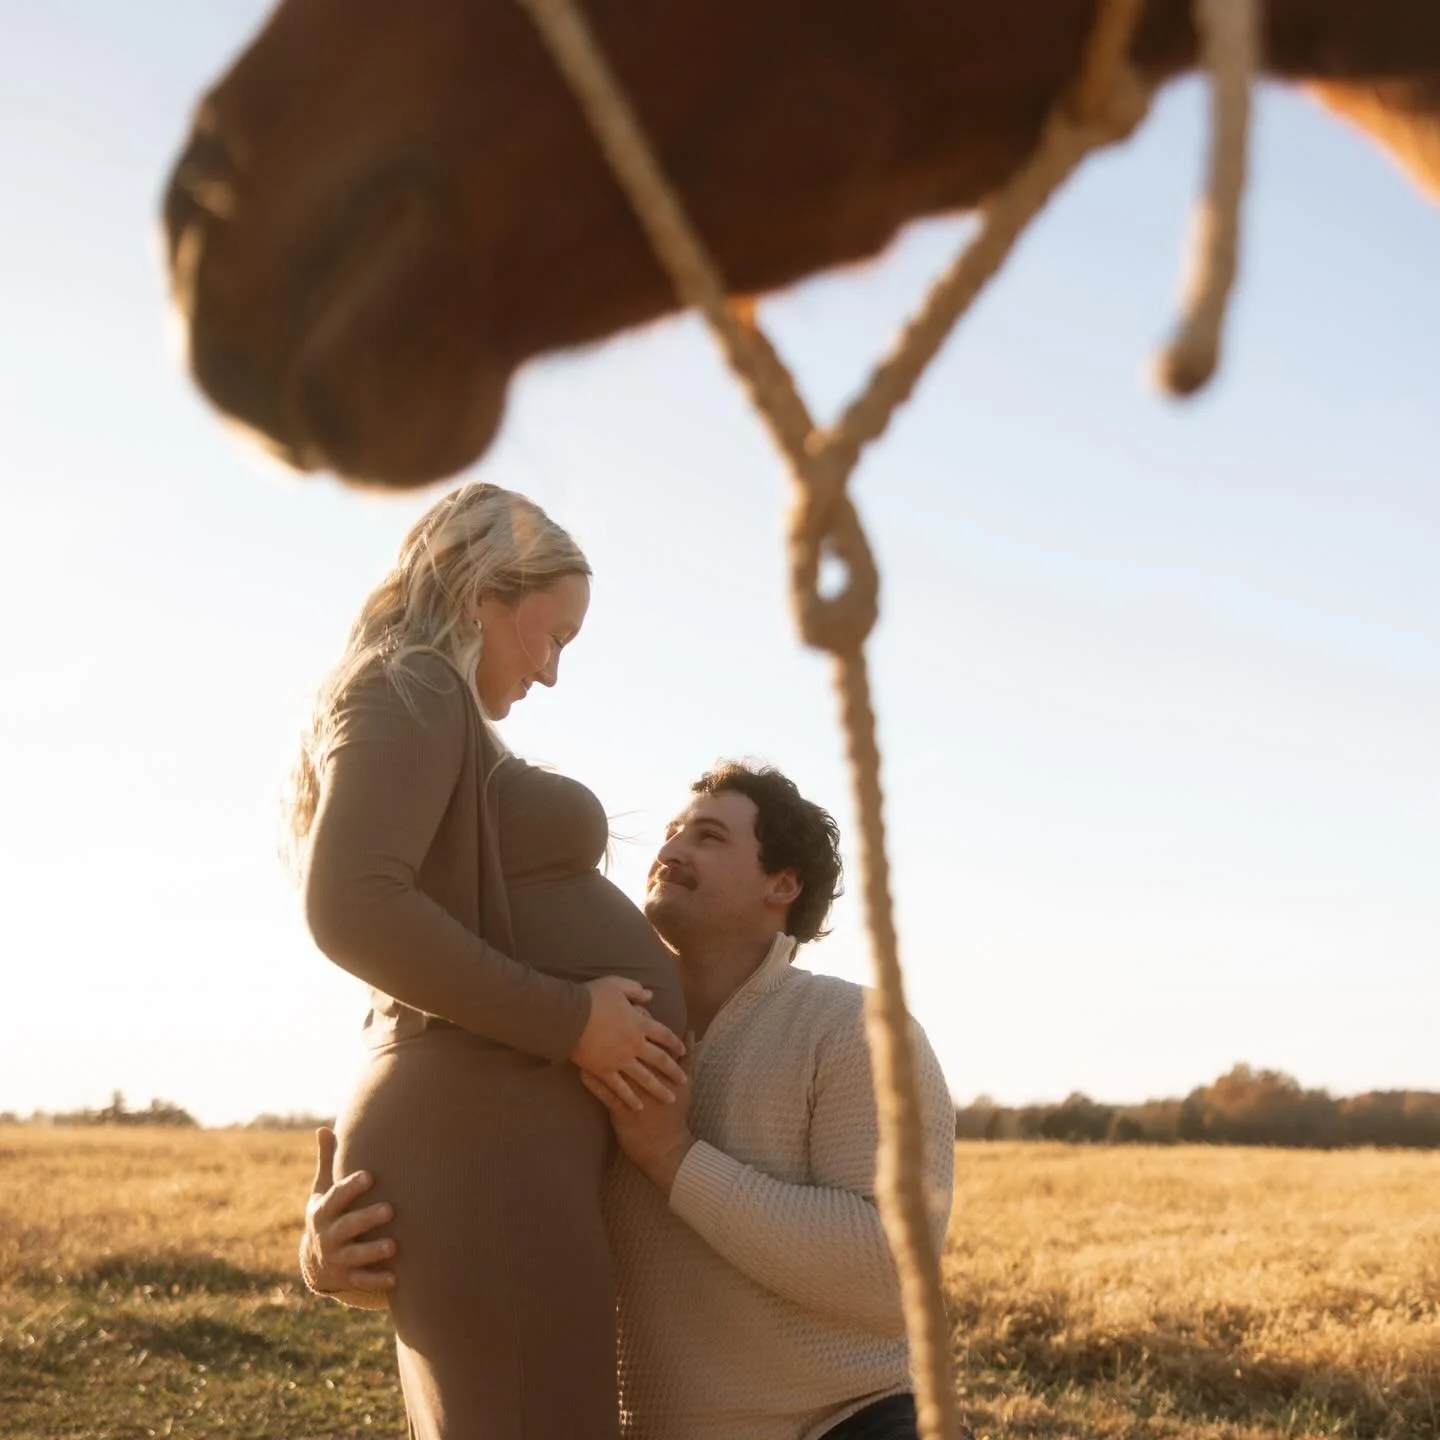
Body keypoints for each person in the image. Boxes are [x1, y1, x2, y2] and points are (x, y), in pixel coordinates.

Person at [304, 761, 957, 1440]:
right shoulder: (578, 1030)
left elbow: (890, 1273)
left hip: (850, 1425)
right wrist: (337, 1266)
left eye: (707, 837)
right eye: (672, 833)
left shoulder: (854, 1030)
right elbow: (495, 1239)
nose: (670, 849)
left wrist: (672, 1158)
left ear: (782, 883)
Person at [289, 481, 688, 1440]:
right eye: (553, 637)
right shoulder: (411, 683)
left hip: (499, 1146)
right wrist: (575, 1022)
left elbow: (431, 933)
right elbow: (352, 908)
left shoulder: (426, 704)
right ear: (483, 595)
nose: (551, 673)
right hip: (487, 1150)